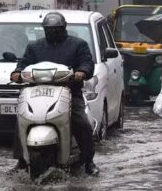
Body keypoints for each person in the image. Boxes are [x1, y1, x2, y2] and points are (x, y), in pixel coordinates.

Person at [10, 12, 99, 176]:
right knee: (21, 120)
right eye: (48, 30)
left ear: (64, 28)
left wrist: (82, 72)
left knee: (82, 122)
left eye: (56, 29)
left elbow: (87, 63)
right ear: (44, 30)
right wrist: (16, 73)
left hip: (70, 92)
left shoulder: (78, 45)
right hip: (37, 93)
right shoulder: (34, 46)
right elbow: (23, 64)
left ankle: (88, 161)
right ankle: (21, 161)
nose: (52, 32)